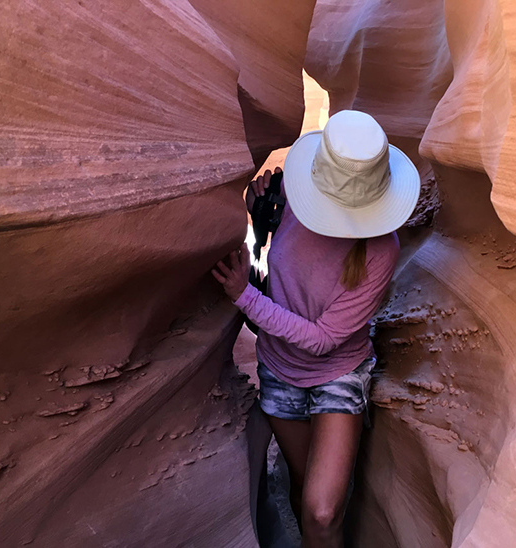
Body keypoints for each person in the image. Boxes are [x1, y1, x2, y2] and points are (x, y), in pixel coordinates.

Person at [212, 110, 420, 548]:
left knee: (323, 512)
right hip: (278, 368)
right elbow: (271, 251)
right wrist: (259, 215)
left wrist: (244, 296)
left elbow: (324, 339)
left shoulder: (381, 248)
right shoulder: (295, 188)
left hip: (337, 373)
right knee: (303, 487)